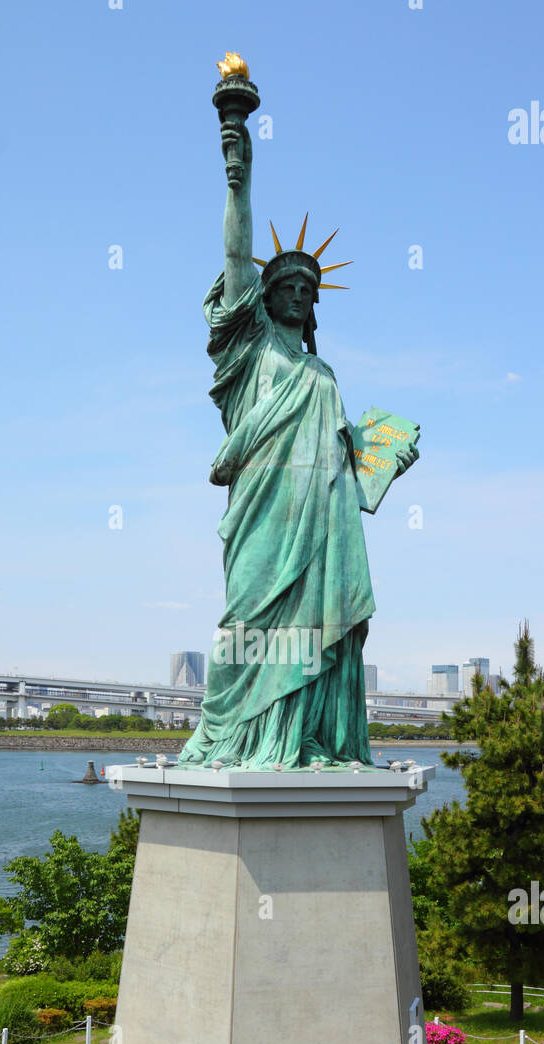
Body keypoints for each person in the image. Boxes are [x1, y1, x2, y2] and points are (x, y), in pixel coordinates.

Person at [178, 117, 417, 770]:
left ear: (314, 306)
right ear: (264, 297)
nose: (298, 294)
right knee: (249, 622)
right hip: (264, 509)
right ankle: (237, 737)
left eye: (307, 290)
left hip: (323, 521)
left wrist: (382, 457)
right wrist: (239, 173)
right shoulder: (249, 348)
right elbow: (235, 257)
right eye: (286, 285)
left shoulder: (322, 373)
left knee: (317, 628)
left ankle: (304, 738)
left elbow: (346, 464)